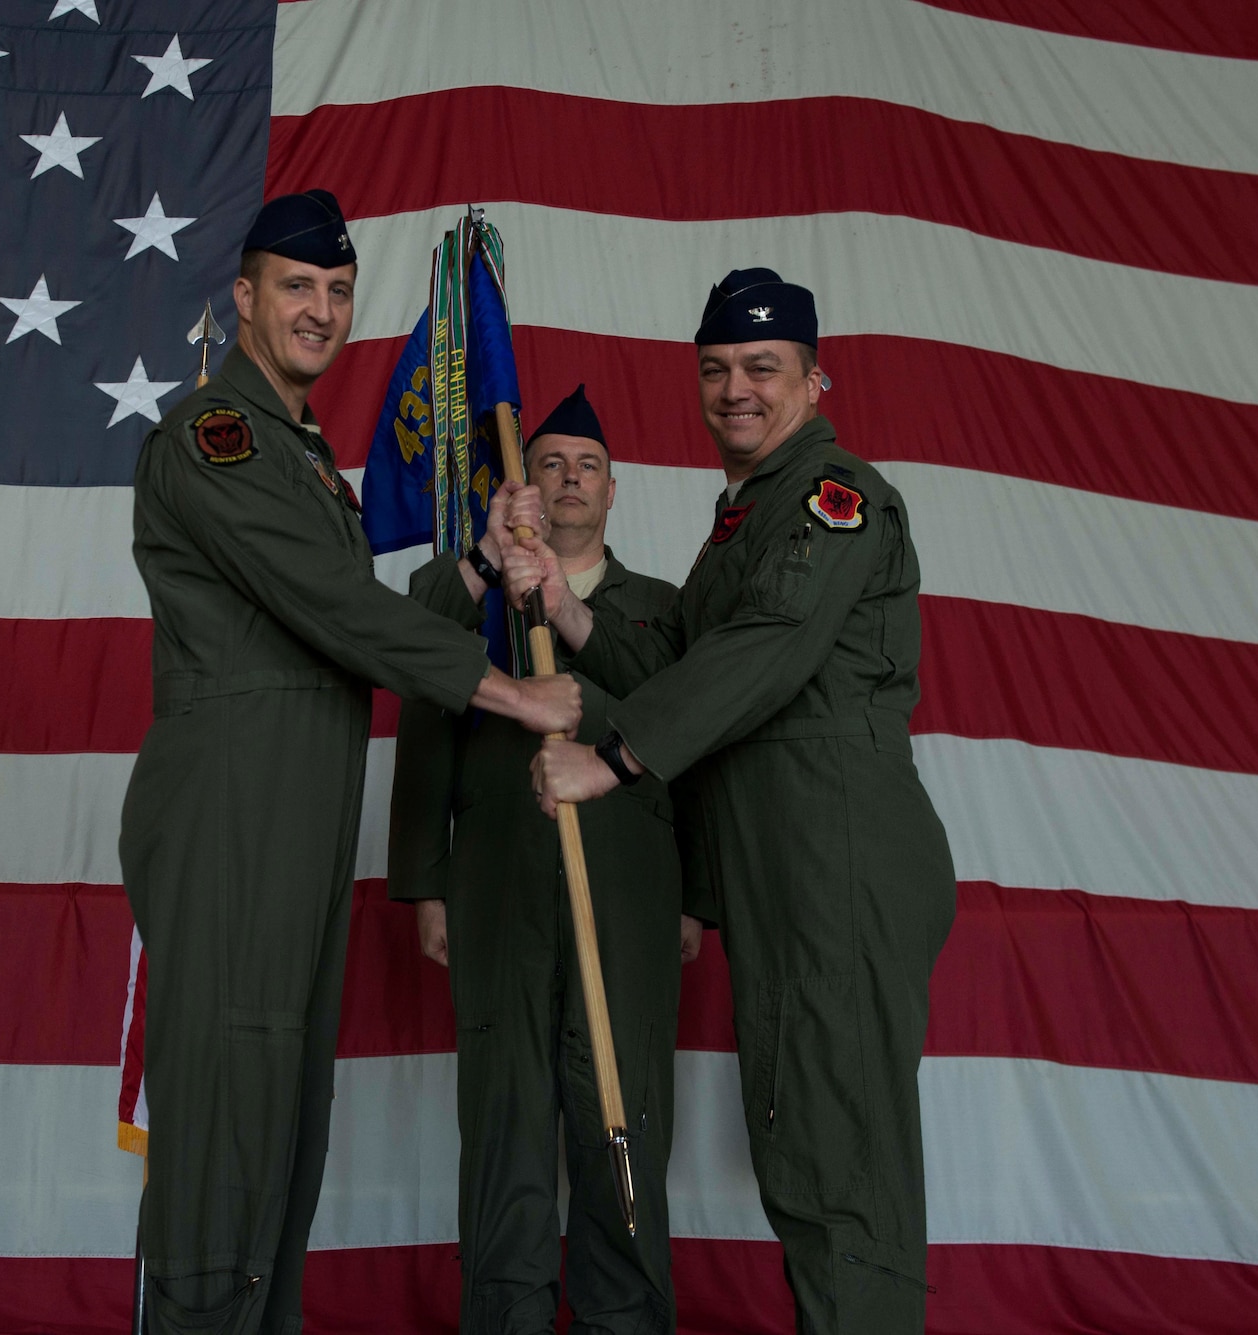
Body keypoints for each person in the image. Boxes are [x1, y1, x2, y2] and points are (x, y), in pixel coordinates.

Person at [120, 189, 582, 1335]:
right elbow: (330, 606)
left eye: (335, 291)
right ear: (242, 298)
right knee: (227, 1126)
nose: (320, 310)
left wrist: (475, 567)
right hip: (233, 812)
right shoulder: (210, 438)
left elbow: (345, 610)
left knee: (283, 1123)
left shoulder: (298, 452)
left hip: (297, 814)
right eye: (294, 286)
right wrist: (508, 690)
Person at [498, 271, 957, 1334]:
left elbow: (768, 647)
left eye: (761, 368)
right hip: (780, 855)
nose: (734, 390)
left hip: (832, 847)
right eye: (715, 370)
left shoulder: (829, 495)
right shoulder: (744, 517)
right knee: (803, 1145)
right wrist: (564, 606)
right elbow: (679, 654)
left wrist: (609, 759)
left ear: (811, 378)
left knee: (839, 1159)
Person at [387, 386, 707, 1334]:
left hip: (629, 898)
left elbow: (696, 734)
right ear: (526, 487)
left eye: (588, 466)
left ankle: (625, 1320)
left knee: (622, 1120)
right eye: (551, 463)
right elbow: (417, 679)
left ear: (615, 491)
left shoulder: (664, 610)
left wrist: (702, 895)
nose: (569, 479)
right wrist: (425, 879)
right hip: (498, 892)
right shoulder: (476, 601)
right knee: (505, 1131)